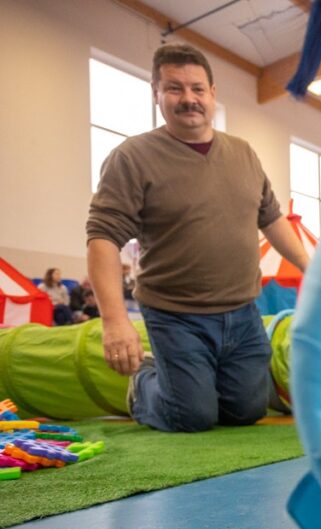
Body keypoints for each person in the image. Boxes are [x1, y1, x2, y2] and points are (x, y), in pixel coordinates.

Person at [85, 43, 309, 432]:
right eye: (174, 88)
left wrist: (314, 268)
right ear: (156, 94)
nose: (188, 99)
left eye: (197, 88)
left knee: (246, 412)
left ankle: (191, 386)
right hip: (175, 314)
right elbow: (103, 236)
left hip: (242, 312)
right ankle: (144, 385)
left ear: (212, 93)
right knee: (192, 417)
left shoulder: (243, 153)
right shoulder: (133, 157)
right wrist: (114, 321)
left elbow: (272, 219)